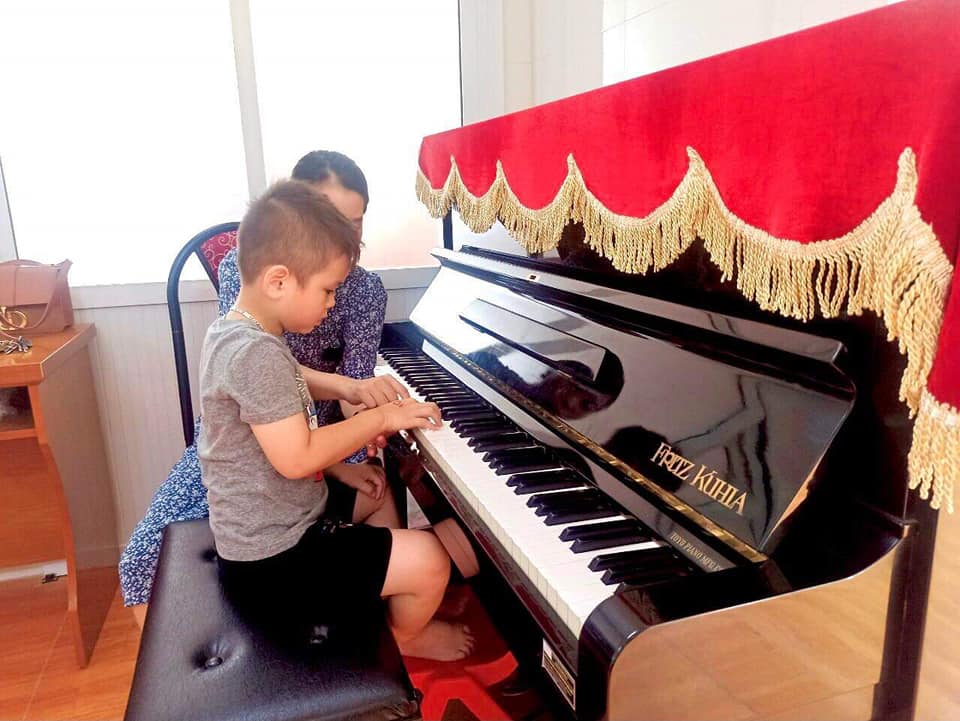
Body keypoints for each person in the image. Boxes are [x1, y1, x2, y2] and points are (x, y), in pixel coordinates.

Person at [202, 179, 472, 660]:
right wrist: (381, 417)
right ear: (279, 281)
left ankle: (386, 593)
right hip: (273, 564)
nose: (332, 304)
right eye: (327, 290)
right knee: (432, 559)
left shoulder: (237, 332)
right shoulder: (255, 355)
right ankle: (407, 638)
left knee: (376, 489)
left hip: (282, 520)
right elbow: (295, 456)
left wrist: (349, 392)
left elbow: (289, 386)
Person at [119, 151, 387, 625]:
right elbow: (256, 374)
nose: (344, 237)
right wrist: (358, 418)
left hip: (316, 435)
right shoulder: (247, 281)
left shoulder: (365, 290)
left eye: (355, 223)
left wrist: (369, 415)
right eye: (328, 217)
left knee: (379, 491)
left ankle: (376, 641)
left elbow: (355, 386)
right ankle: (216, 663)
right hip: (242, 442)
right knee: (141, 558)